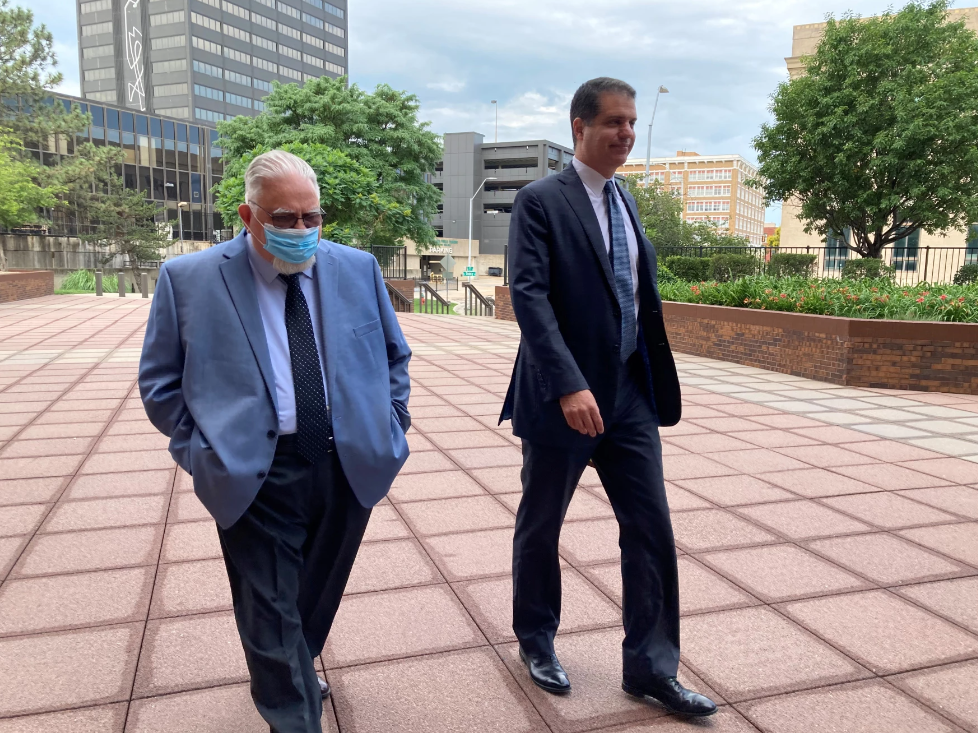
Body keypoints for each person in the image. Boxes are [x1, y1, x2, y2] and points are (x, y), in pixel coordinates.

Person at [139, 150, 412, 733]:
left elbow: (393, 354)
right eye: (283, 219)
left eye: (311, 219)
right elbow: (160, 382)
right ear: (248, 215)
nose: (300, 231)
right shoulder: (189, 278)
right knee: (268, 603)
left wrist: (392, 421)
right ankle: (293, 711)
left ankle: (292, 660)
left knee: (315, 591)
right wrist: (201, 451)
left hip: (348, 461)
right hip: (253, 468)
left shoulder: (357, 268)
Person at [500, 78, 716, 717]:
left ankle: (651, 668)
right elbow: (529, 297)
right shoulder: (541, 201)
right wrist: (569, 383)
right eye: (614, 122)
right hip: (564, 395)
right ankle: (536, 639)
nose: (626, 133)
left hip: (630, 397)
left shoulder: (626, 201)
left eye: (630, 123)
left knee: (650, 529)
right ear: (579, 128)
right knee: (541, 525)